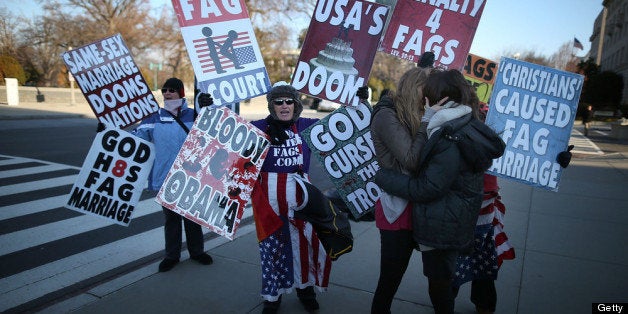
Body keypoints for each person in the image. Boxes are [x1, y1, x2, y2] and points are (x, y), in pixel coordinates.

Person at [374, 69, 505, 314]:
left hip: (439, 216)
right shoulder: (458, 122)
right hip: (421, 213)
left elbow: (428, 185)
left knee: (441, 287)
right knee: (406, 281)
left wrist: (383, 178)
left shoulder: (449, 130)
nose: (424, 100)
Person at [250, 82, 331, 314]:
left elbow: (340, 127)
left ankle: (305, 290)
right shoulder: (259, 127)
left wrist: (359, 105)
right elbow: (223, 132)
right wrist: (205, 110)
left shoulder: (305, 126)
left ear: (296, 105)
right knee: (272, 249)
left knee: (303, 246)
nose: (284, 106)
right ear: (271, 105)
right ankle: (272, 297)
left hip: (301, 203)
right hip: (269, 205)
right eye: (279, 102)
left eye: (289, 101)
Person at [369, 56, 435, 314]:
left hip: (424, 204)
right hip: (397, 208)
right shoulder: (386, 115)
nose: (431, 96)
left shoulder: (415, 114)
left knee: (441, 278)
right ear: (413, 88)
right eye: (426, 90)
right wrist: (429, 120)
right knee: (390, 279)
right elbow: (411, 159)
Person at [132, 77, 214, 272]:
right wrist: (108, 132)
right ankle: (172, 255)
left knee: (192, 218)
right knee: (171, 220)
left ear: (181, 93)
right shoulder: (154, 117)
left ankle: (197, 252)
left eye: (172, 90)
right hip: (165, 178)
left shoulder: (194, 114)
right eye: (164, 90)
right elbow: (135, 137)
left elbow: (212, 130)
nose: (167, 93)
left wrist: (209, 108)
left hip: (190, 175)